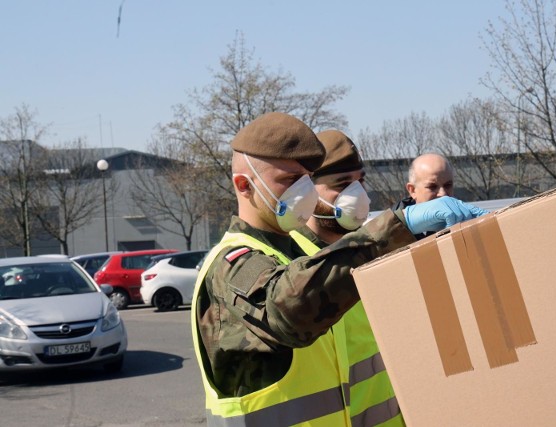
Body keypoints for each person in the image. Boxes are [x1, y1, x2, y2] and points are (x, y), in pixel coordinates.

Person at [191, 112, 486, 426]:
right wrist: (398, 225)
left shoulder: (298, 256)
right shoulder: (233, 262)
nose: (302, 191)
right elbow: (288, 309)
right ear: (244, 185)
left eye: (305, 179)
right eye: (289, 180)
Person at [290, 129, 404, 425]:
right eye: (342, 184)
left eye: (360, 181)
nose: (357, 195)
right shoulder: (295, 263)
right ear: (307, 191)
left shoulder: (375, 250)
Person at [395, 153, 455, 239]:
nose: (443, 194)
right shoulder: (391, 232)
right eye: (432, 187)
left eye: (448, 185)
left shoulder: (464, 219)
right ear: (412, 190)